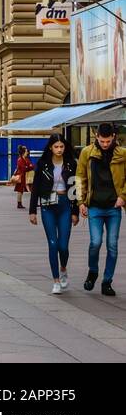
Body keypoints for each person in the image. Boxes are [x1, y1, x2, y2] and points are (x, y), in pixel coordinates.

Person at [77, 122, 126, 296]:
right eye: (102, 141)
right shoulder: (87, 153)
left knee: (112, 245)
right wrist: (80, 202)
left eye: (108, 141)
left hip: (114, 207)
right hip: (95, 207)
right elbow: (80, 177)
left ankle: (107, 282)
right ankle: (93, 271)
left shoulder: (123, 154)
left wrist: (123, 196)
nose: (105, 144)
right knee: (95, 243)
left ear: (113, 137)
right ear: (97, 137)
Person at [29, 133, 79, 295]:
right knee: (53, 244)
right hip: (47, 206)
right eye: (56, 146)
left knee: (63, 246)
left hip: (65, 204)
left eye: (61, 146)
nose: (59, 149)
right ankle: (56, 280)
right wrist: (32, 211)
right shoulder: (43, 164)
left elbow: (74, 188)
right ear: (50, 147)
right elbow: (35, 187)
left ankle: (63, 268)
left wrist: (75, 211)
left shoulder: (71, 164)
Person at [13, 144, 34, 210]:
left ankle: (20, 203)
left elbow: (31, 166)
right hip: (20, 177)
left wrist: (28, 167)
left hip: (24, 176)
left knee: (21, 191)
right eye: (26, 151)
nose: (27, 152)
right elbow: (23, 168)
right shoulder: (20, 159)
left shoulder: (25, 159)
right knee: (20, 190)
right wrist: (28, 167)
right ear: (23, 152)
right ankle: (19, 204)